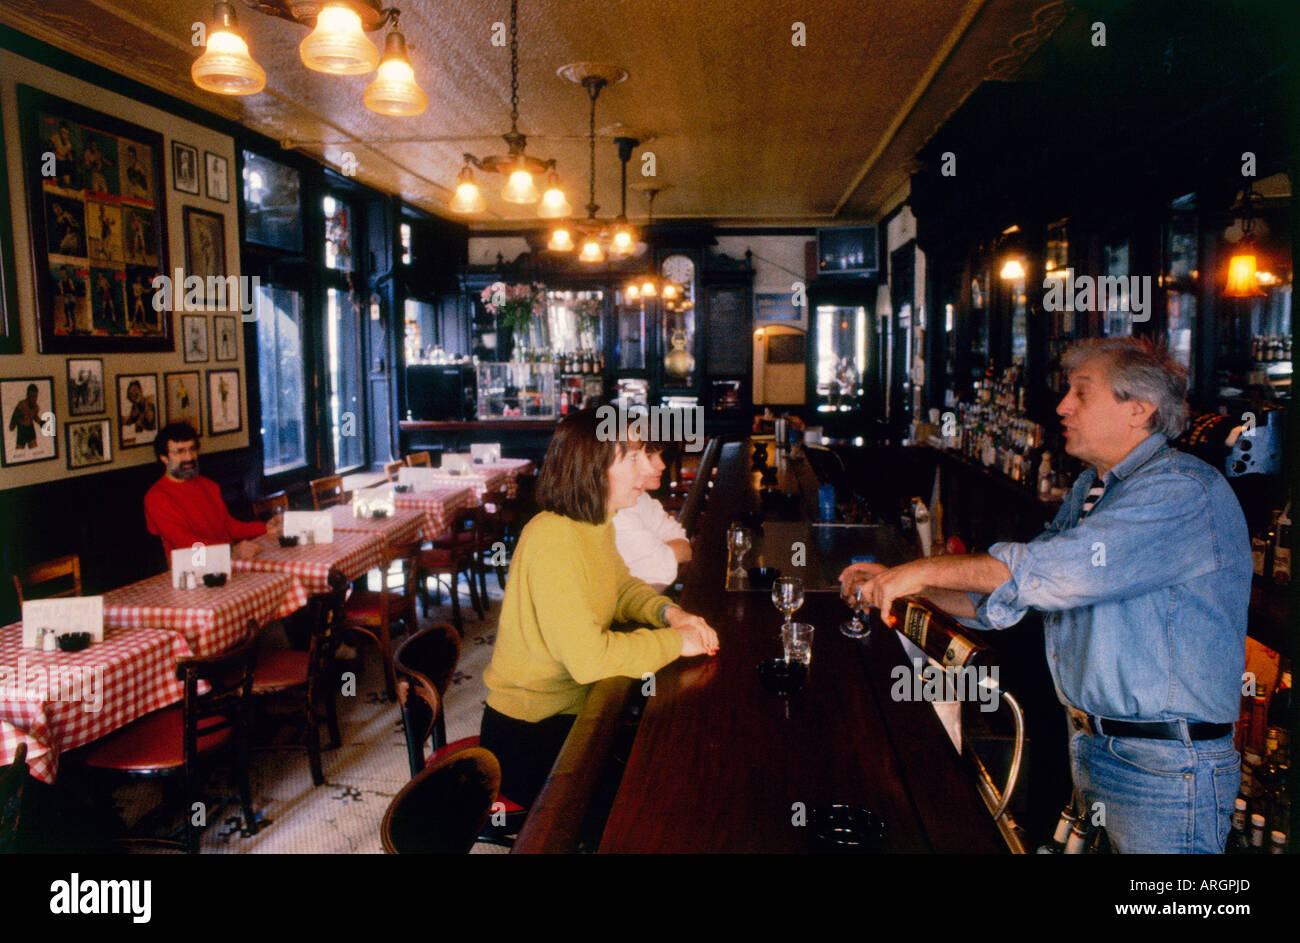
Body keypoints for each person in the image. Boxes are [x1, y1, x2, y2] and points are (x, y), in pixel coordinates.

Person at [839, 338, 1251, 853]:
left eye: (1082, 392)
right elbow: (1015, 594)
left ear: (1138, 410)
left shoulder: (1181, 491)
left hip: (1165, 769)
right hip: (1094, 745)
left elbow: (1049, 568)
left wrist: (919, 572)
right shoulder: (1093, 489)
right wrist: (903, 579)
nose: (1062, 405)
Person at [481, 408, 720, 809]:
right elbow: (590, 661)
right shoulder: (553, 539)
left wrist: (669, 614)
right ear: (591, 466)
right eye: (632, 457)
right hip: (530, 733)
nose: (647, 469)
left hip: (575, 709)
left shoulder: (595, 523)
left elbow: (622, 587)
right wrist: (674, 643)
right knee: (651, 795)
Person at [144, 422, 279, 561]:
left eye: (192, 449)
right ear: (164, 458)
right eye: (180, 451)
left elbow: (229, 527)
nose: (189, 458)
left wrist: (265, 528)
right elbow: (185, 544)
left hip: (227, 564)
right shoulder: (157, 497)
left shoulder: (208, 485)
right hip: (191, 570)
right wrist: (230, 552)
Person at [613, 441, 692, 591]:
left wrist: (662, 552)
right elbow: (658, 569)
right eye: (648, 457)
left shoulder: (641, 498)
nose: (662, 465)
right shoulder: (617, 512)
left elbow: (685, 548)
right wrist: (663, 551)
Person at [8, 384, 42, 450]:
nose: (33, 399)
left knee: (34, 447)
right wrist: (12, 425)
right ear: (27, 395)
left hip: (30, 429)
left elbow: (35, 417)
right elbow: (15, 416)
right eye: (31, 396)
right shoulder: (21, 405)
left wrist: (40, 422)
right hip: (22, 429)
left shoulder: (36, 407)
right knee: (19, 449)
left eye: (35, 396)